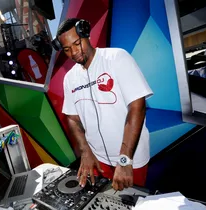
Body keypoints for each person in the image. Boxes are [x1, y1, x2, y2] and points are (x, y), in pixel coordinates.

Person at [55, 18, 153, 191]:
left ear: (86, 35)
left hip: (130, 159)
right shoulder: (69, 78)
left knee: (133, 208)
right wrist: (85, 150)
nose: (74, 52)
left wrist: (124, 160)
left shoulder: (117, 58)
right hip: (98, 161)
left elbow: (137, 107)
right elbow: (72, 118)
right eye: (67, 49)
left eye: (77, 43)